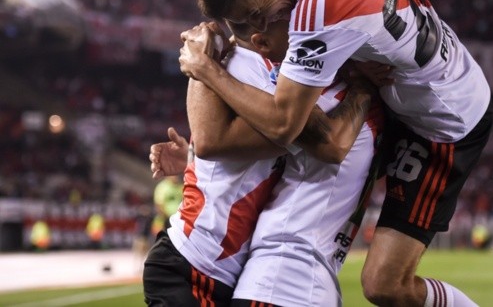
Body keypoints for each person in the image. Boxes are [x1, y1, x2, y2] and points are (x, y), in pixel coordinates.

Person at [180, 0, 493, 307]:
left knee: (385, 285)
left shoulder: (325, 6)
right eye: (245, 22)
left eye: (258, 14)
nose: (259, 29)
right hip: (402, 92)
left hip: (442, 118)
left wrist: (205, 69)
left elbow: (283, 125)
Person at [144, 21, 381, 306]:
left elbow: (230, 148)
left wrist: (193, 159)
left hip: (221, 269)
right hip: (194, 262)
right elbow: (326, 142)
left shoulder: (285, 85)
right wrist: (364, 88)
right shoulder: (251, 68)